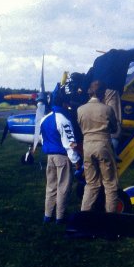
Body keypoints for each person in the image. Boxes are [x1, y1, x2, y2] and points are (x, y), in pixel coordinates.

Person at [84, 37, 134, 152]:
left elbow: (90, 74)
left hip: (95, 91)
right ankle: (113, 147)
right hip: (111, 90)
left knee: (98, 118)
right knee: (114, 119)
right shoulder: (122, 55)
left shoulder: (99, 60)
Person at [77, 80, 120, 213]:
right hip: (103, 146)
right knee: (110, 184)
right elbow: (114, 129)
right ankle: (110, 218)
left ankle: (85, 215)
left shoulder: (80, 109)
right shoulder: (107, 109)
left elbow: (81, 127)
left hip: (87, 147)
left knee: (91, 184)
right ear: (103, 93)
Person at [41, 95, 81, 224]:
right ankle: (60, 216)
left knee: (51, 186)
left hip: (50, 156)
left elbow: (43, 139)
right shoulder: (63, 119)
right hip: (62, 157)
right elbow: (69, 143)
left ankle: (47, 215)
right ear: (64, 104)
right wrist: (76, 161)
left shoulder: (44, 119)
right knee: (63, 187)